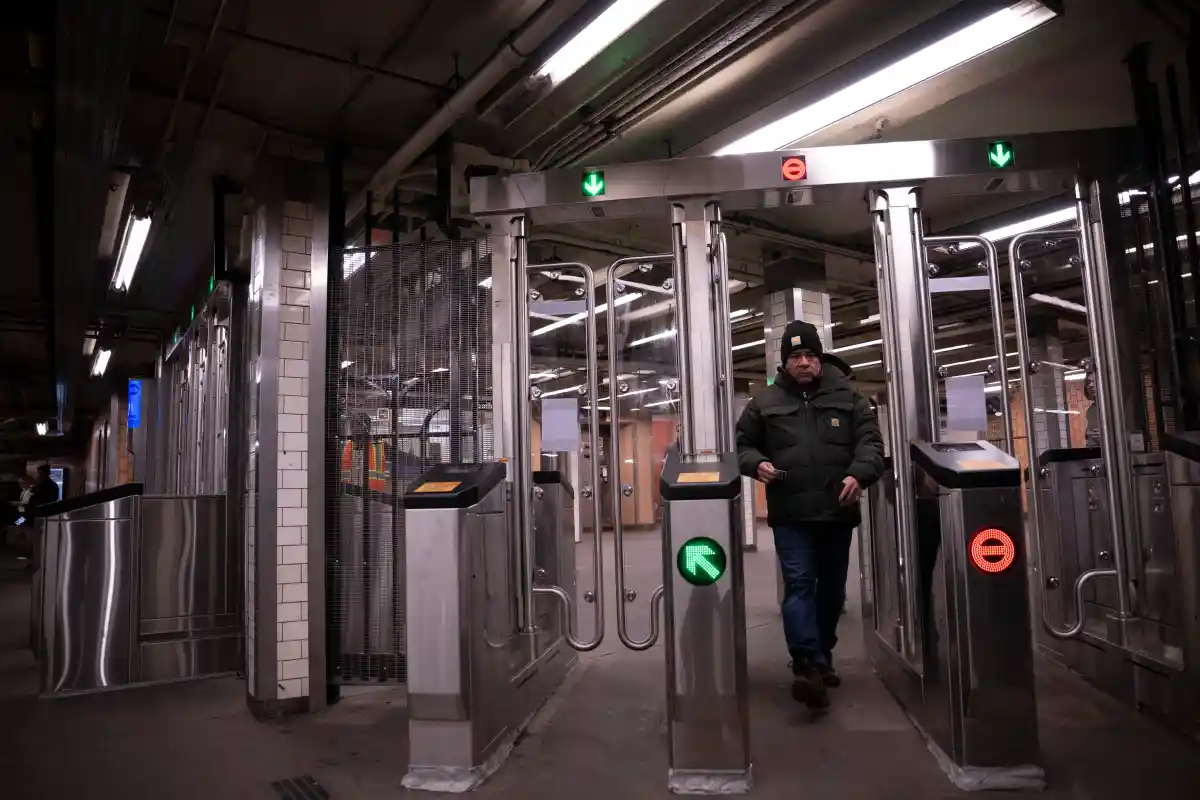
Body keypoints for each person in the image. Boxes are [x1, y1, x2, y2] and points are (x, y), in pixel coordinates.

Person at [736, 320, 885, 709]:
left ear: (820, 359)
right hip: (791, 514)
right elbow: (741, 446)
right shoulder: (764, 402)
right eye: (795, 356)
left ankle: (822, 654)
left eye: (809, 355)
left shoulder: (849, 397)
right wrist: (757, 464)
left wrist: (859, 473)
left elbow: (871, 443)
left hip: (837, 512)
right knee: (800, 584)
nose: (803, 362)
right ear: (785, 363)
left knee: (832, 591)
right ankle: (808, 663)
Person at [1084, 373, 1101, 447]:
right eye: (1088, 382)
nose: (1091, 385)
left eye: (1094, 381)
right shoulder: (1091, 410)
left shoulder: (1114, 407)